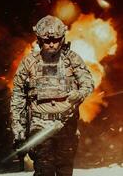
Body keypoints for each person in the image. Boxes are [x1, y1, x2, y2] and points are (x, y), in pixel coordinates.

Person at [10, 15, 94, 176]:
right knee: (44, 169)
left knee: (64, 170)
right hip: (40, 125)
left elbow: (87, 81)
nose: (51, 43)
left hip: (66, 124)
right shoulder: (30, 63)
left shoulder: (72, 59)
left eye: (55, 39)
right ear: (39, 40)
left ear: (62, 38)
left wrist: (80, 93)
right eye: (47, 40)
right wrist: (18, 128)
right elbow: (18, 95)